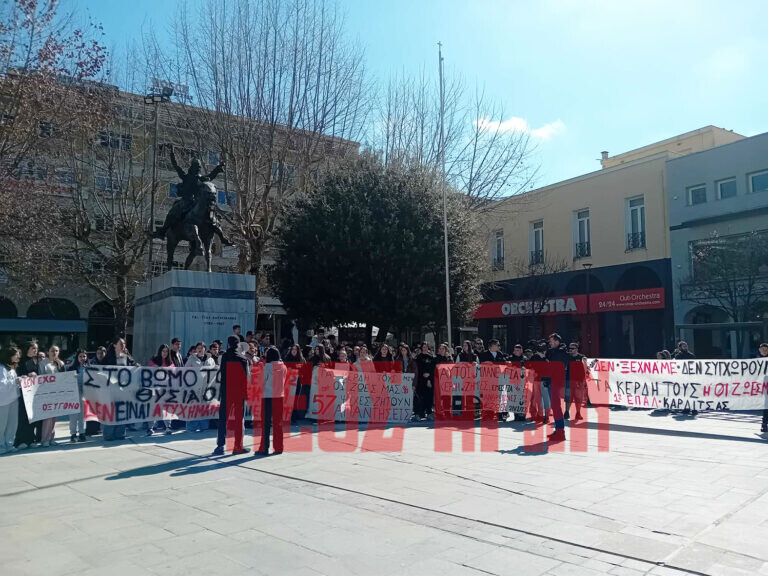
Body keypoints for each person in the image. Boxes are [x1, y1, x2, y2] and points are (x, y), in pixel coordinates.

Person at [214, 336, 249, 456]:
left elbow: (223, 374)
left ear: (228, 344)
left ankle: (220, 446)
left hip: (227, 391)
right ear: (238, 345)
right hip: (239, 393)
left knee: (223, 418)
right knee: (239, 419)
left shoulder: (224, 357)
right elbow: (245, 379)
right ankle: (237, 446)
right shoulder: (243, 359)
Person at [102, 337, 137, 441]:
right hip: (111, 389)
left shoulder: (126, 357)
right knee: (111, 412)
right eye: (121, 344)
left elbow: (136, 366)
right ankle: (108, 435)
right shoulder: (108, 358)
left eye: (124, 344)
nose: (123, 346)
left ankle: (120, 434)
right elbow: (101, 371)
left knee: (122, 411)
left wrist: (128, 356)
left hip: (124, 389)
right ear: (114, 345)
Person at [256, 347, 287, 455]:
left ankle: (264, 447)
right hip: (279, 396)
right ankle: (279, 447)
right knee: (278, 423)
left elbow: (261, 381)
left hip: (267, 396)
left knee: (266, 423)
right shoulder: (284, 366)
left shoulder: (267, 367)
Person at [37, 344, 64, 446]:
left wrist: (61, 366)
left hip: (57, 393)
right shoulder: (43, 363)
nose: (54, 353)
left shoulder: (60, 363)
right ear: (48, 352)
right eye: (52, 351)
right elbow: (40, 377)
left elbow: (65, 377)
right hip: (46, 392)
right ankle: (45, 439)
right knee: (47, 417)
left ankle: (52, 437)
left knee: (54, 417)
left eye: (56, 351)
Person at [15, 341, 41, 449]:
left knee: (32, 417)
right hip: (22, 394)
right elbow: (17, 375)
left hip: (32, 393)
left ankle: (30, 440)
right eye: (33, 348)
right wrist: (25, 376)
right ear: (27, 349)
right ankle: (20, 441)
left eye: (36, 348)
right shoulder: (20, 361)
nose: (35, 350)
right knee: (23, 418)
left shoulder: (33, 361)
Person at [545, 333, 569, 441]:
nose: (549, 343)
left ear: (556, 341)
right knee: (555, 407)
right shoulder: (552, 351)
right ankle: (558, 430)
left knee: (556, 407)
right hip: (551, 381)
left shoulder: (562, 352)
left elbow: (555, 363)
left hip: (557, 382)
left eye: (551, 341)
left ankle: (560, 432)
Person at [186, 343, 214, 431]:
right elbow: (186, 371)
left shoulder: (210, 359)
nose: (200, 349)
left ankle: (204, 426)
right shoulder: (191, 358)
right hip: (195, 387)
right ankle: (192, 427)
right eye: (198, 348)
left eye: (202, 348)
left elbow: (214, 372)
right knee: (193, 407)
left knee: (205, 407)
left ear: (205, 349)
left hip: (206, 387)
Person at [149, 344, 174, 435]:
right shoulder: (154, 361)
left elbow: (174, 372)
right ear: (160, 351)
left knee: (166, 408)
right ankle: (150, 427)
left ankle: (168, 427)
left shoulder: (170, 363)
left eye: (166, 351)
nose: (165, 353)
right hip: (155, 389)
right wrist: (154, 367)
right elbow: (149, 368)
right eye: (163, 351)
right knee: (154, 408)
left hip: (166, 389)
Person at [0, 346, 21, 454]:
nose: (18, 356)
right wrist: (15, 381)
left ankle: (9, 444)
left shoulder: (12, 368)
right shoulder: (1, 368)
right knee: (2, 425)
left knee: (12, 424)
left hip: (13, 399)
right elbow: (1, 384)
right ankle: (1, 445)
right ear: (9, 356)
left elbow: (14, 383)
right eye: (16, 354)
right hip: (3, 401)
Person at [66, 349, 89, 443]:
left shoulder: (90, 368)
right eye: (80, 356)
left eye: (84, 356)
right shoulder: (71, 368)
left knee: (83, 415)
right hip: (74, 393)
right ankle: (73, 434)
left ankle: (82, 433)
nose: (82, 358)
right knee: (73, 414)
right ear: (77, 358)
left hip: (85, 393)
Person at [414, 343, 436, 421]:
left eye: (426, 347)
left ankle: (429, 412)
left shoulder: (431, 358)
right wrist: (423, 374)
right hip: (420, 380)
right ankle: (420, 413)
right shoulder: (418, 357)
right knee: (420, 397)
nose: (425, 348)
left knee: (429, 397)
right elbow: (417, 368)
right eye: (423, 347)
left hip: (429, 380)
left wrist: (429, 376)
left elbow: (433, 368)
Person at [566, 342, 587, 422]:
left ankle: (578, 413)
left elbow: (586, 367)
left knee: (578, 398)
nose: (571, 350)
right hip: (569, 380)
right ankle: (566, 412)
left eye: (572, 348)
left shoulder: (581, 357)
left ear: (577, 349)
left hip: (579, 381)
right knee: (568, 397)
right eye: (570, 348)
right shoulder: (567, 357)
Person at [758, 343, 768, 433]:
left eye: (766, 349)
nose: (764, 351)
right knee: (766, 407)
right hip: (763, 387)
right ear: (759, 350)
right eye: (763, 350)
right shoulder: (756, 360)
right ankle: (764, 424)